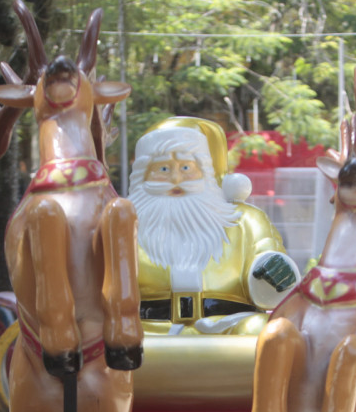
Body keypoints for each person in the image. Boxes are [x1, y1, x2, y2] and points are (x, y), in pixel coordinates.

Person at [128, 117, 300, 335]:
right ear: (143, 175)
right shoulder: (125, 228)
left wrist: (274, 269)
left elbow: (267, 256)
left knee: (263, 330)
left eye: (186, 167)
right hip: (149, 328)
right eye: (163, 168)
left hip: (227, 324)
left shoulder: (246, 220)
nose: (176, 178)